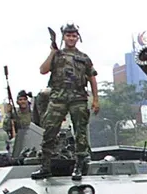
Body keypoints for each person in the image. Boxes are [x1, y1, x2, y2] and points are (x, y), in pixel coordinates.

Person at [32, 23, 100, 181]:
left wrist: (95, 99)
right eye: (68, 35)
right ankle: (45, 166)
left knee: (80, 133)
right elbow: (43, 70)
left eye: (74, 35)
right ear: (64, 37)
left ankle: (79, 166)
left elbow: (92, 78)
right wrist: (52, 52)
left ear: (78, 38)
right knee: (49, 131)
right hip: (58, 98)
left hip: (78, 98)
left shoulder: (84, 58)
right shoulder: (56, 55)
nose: (71, 38)